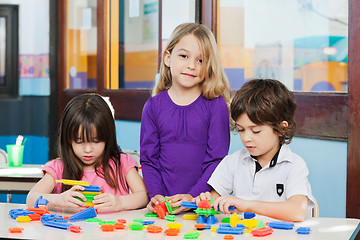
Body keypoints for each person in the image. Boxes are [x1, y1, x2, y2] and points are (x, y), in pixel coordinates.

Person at [140, 23, 231, 214]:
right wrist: (156, 195)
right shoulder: (153, 106)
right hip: (163, 208)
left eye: (201, 60)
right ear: (167, 57)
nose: (191, 65)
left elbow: (217, 159)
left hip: (201, 206)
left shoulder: (216, 105)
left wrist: (192, 196)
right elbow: (149, 159)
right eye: (183, 56)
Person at [194, 79, 315, 222]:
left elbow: (297, 211)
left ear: (281, 129)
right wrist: (206, 202)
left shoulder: (294, 165)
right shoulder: (233, 162)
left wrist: (247, 205)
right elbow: (214, 200)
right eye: (241, 129)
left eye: (256, 131)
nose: (246, 138)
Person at [26, 93, 148, 212]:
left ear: (107, 137)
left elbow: (143, 196)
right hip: (70, 232)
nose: (88, 150)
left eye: (96, 141)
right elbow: (31, 199)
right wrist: (57, 199)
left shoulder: (122, 163)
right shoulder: (58, 169)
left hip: (113, 231)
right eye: (79, 141)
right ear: (68, 140)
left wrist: (120, 203)